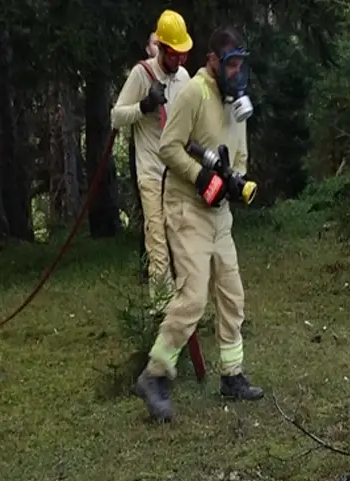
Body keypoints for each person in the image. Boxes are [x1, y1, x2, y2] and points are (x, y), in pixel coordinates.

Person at [135, 25, 263, 422]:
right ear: (213, 62)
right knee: (192, 297)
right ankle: (155, 376)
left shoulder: (236, 103)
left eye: (241, 65)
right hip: (185, 207)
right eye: (231, 65)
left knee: (232, 292)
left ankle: (232, 375)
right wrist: (200, 176)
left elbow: (239, 158)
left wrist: (230, 181)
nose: (237, 73)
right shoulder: (194, 93)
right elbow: (169, 147)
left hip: (218, 213)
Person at [111, 9, 192, 300]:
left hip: (179, 171)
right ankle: (162, 310)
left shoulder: (183, 76)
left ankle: (185, 304)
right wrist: (144, 106)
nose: (180, 60)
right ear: (163, 49)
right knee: (156, 239)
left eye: (184, 54)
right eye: (175, 54)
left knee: (181, 237)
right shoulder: (141, 74)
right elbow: (116, 116)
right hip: (151, 173)